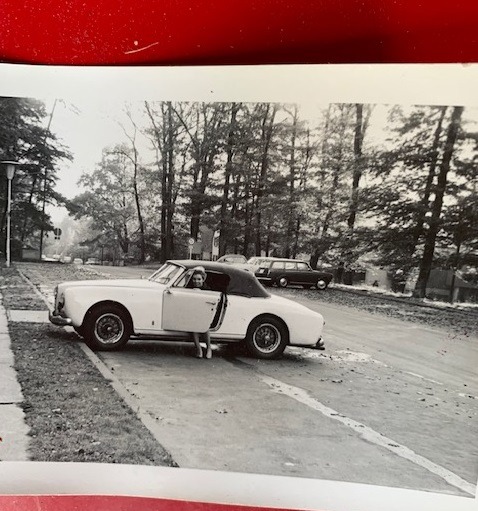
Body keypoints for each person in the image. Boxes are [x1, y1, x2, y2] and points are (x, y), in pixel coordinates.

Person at [189, 266, 213, 359]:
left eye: (199, 279)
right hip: (193, 314)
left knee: (204, 326)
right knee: (194, 326)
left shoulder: (207, 289)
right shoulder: (189, 288)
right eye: (194, 279)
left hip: (205, 314)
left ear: (203, 280)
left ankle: (209, 348)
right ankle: (198, 349)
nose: (196, 281)